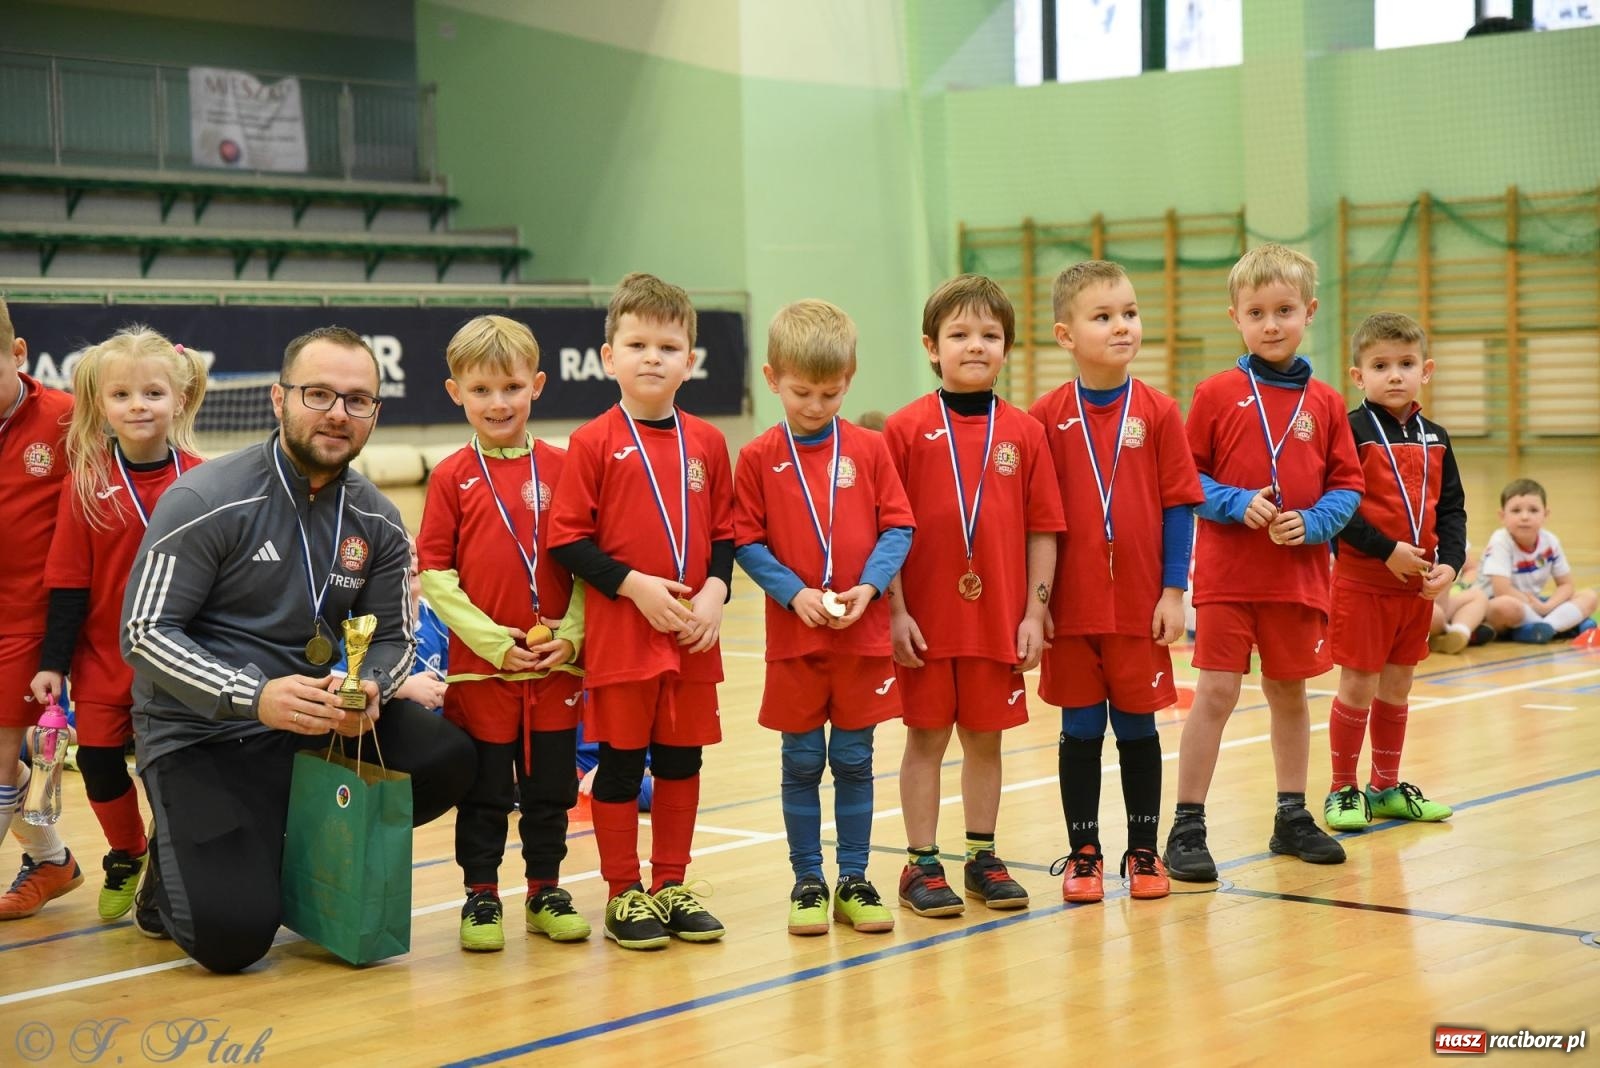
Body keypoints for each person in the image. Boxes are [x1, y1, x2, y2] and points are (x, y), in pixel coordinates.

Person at [120, 326, 475, 973]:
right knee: (233, 941)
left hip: (314, 726)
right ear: (279, 400)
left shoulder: (377, 520)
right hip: (202, 735)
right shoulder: (205, 500)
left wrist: (374, 685)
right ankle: (172, 872)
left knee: (447, 757)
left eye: (357, 400)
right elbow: (144, 632)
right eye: (319, 394)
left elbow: (394, 635)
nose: (338, 413)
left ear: (375, 414)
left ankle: (278, 850)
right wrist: (251, 696)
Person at [1163, 244, 1364, 882]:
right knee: (1217, 693)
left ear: (1309, 311)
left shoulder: (1328, 404)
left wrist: (1314, 522)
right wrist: (1235, 502)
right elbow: (1188, 479)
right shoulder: (1216, 392)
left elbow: (1348, 487)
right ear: (1236, 319)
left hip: (1298, 577)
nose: (1271, 324)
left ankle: (1291, 816)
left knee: (1289, 694)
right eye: (1257, 312)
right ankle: (1187, 823)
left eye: (1284, 310)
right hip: (1227, 577)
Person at [547, 273, 733, 951]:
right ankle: (625, 892)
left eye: (668, 345)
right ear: (608, 357)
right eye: (637, 344)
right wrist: (634, 588)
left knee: (683, 763)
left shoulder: (709, 444)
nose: (652, 357)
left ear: (691, 360)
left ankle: (671, 884)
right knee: (623, 766)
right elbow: (566, 539)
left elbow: (726, 536)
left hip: (691, 637)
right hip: (625, 636)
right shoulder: (593, 441)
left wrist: (715, 592)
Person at [885, 274, 1064, 917]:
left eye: (990, 335)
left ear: (1008, 348)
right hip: (925, 624)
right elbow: (889, 532)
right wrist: (896, 610)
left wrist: (1035, 613)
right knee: (926, 738)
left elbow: (1044, 529)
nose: (975, 345)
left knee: (985, 740)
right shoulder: (904, 431)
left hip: (997, 621)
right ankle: (920, 864)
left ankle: (983, 857)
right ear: (932, 347)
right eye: (959, 334)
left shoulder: (1026, 432)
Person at [733, 299, 914, 935]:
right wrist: (794, 594)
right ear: (772, 378)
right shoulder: (757, 457)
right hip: (796, 638)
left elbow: (898, 526)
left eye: (830, 394)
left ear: (851, 378)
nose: (815, 405)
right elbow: (746, 542)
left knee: (856, 760)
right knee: (803, 761)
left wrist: (869, 588)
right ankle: (808, 880)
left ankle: (855, 879)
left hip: (859, 636)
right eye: (802, 392)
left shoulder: (870, 448)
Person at [1029, 261, 1203, 903]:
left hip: (1138, 608)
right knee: (1079, 729)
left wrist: (1173, 591)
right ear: (1065, 334)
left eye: (1129, 313)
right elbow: (1036, 523)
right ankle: (1083, 854)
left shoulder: (1158, 411)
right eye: (1103, 317)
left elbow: (1180, 506)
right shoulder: (1045, 416)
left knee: (1137, 730)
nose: (1122, 326)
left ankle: (1143, 852)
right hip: (1072, 612)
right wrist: (1036, 604)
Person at [416, 315, 589, 952]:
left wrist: (570, 637)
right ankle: (481, 897)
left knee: (552, 790)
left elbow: (591, 566)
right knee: (484, 791)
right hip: (482, 671)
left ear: (538, 386)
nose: (498, 402)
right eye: (482, 389)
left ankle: (545, 889)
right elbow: (434, 573)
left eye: (511, 387)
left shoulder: (571, 467)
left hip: (555, 669)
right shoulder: (450, 476)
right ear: (454, 391)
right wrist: (493, 643)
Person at [25, 328, 206, 922]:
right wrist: (53, 662)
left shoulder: (205, 482)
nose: (138, 406)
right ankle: (126, 853)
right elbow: (70, 582)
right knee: (101, 765)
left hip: (181, 659)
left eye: (152, 393)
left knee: (169, 772)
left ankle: (169, 860)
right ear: (101, 405)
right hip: (104, 660)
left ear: (178, 399)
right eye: (122, 395)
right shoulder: (85, 484)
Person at [1324, 313, 1466, 831]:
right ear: (1358, 376)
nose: (1395, 375)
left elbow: (1452, 509)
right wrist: (1386, 551)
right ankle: (1342, 788)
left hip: (1416, 589)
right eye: (1380, 366)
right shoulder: (1350, 430)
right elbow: (1339, 508)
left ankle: (1384, 787)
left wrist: (1449, 562)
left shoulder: (1438, 437)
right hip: (1364, 584)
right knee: (1358, 686)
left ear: (1425, 370)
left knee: (1398, 686)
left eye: (1406, 364)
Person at [0, 297, 76, 920]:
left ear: (19, 353)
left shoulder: (67, 420)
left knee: (0, 762)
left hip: (28, 623)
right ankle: (52, 862)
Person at [1477, 478, 1598, 643]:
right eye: (1516, 510)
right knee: (1504, 606)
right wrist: (1537, 607)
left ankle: (1546, 628)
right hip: (1498, 605)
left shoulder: (1551, 541)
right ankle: (1567, 626)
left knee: (1589, 596)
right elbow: (1502, 590)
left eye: (1533, 510)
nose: (1525, 517)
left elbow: (1567, 585)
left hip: (1534, 605)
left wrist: (1547, 607)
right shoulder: (1500, 541)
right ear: (1502, 516)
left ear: (1545, 515)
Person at [1427, 544, 1489, 653]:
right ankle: (1448, 632)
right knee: (1435, 615)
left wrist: (1460, 587)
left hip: (1445, 601)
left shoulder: (1452, 533)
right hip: (1420, 607)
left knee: (1478, 596)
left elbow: (1471, 569)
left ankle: (1458, 632)